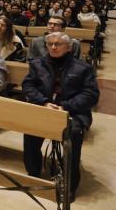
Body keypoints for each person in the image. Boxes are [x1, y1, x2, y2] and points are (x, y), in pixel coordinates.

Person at [22, 32, 99, 202]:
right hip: (45, 108)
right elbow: (28, 86)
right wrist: (43, 102)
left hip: (73, 112)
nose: (53, 47)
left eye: (58, 44)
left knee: (72, 136)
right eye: (50, 44)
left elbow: (91, 94)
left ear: (69, 47)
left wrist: (65, 106)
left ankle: (69, 185)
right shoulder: (37, 64)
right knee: (30, 129)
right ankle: (33, 173)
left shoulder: (83, 68)